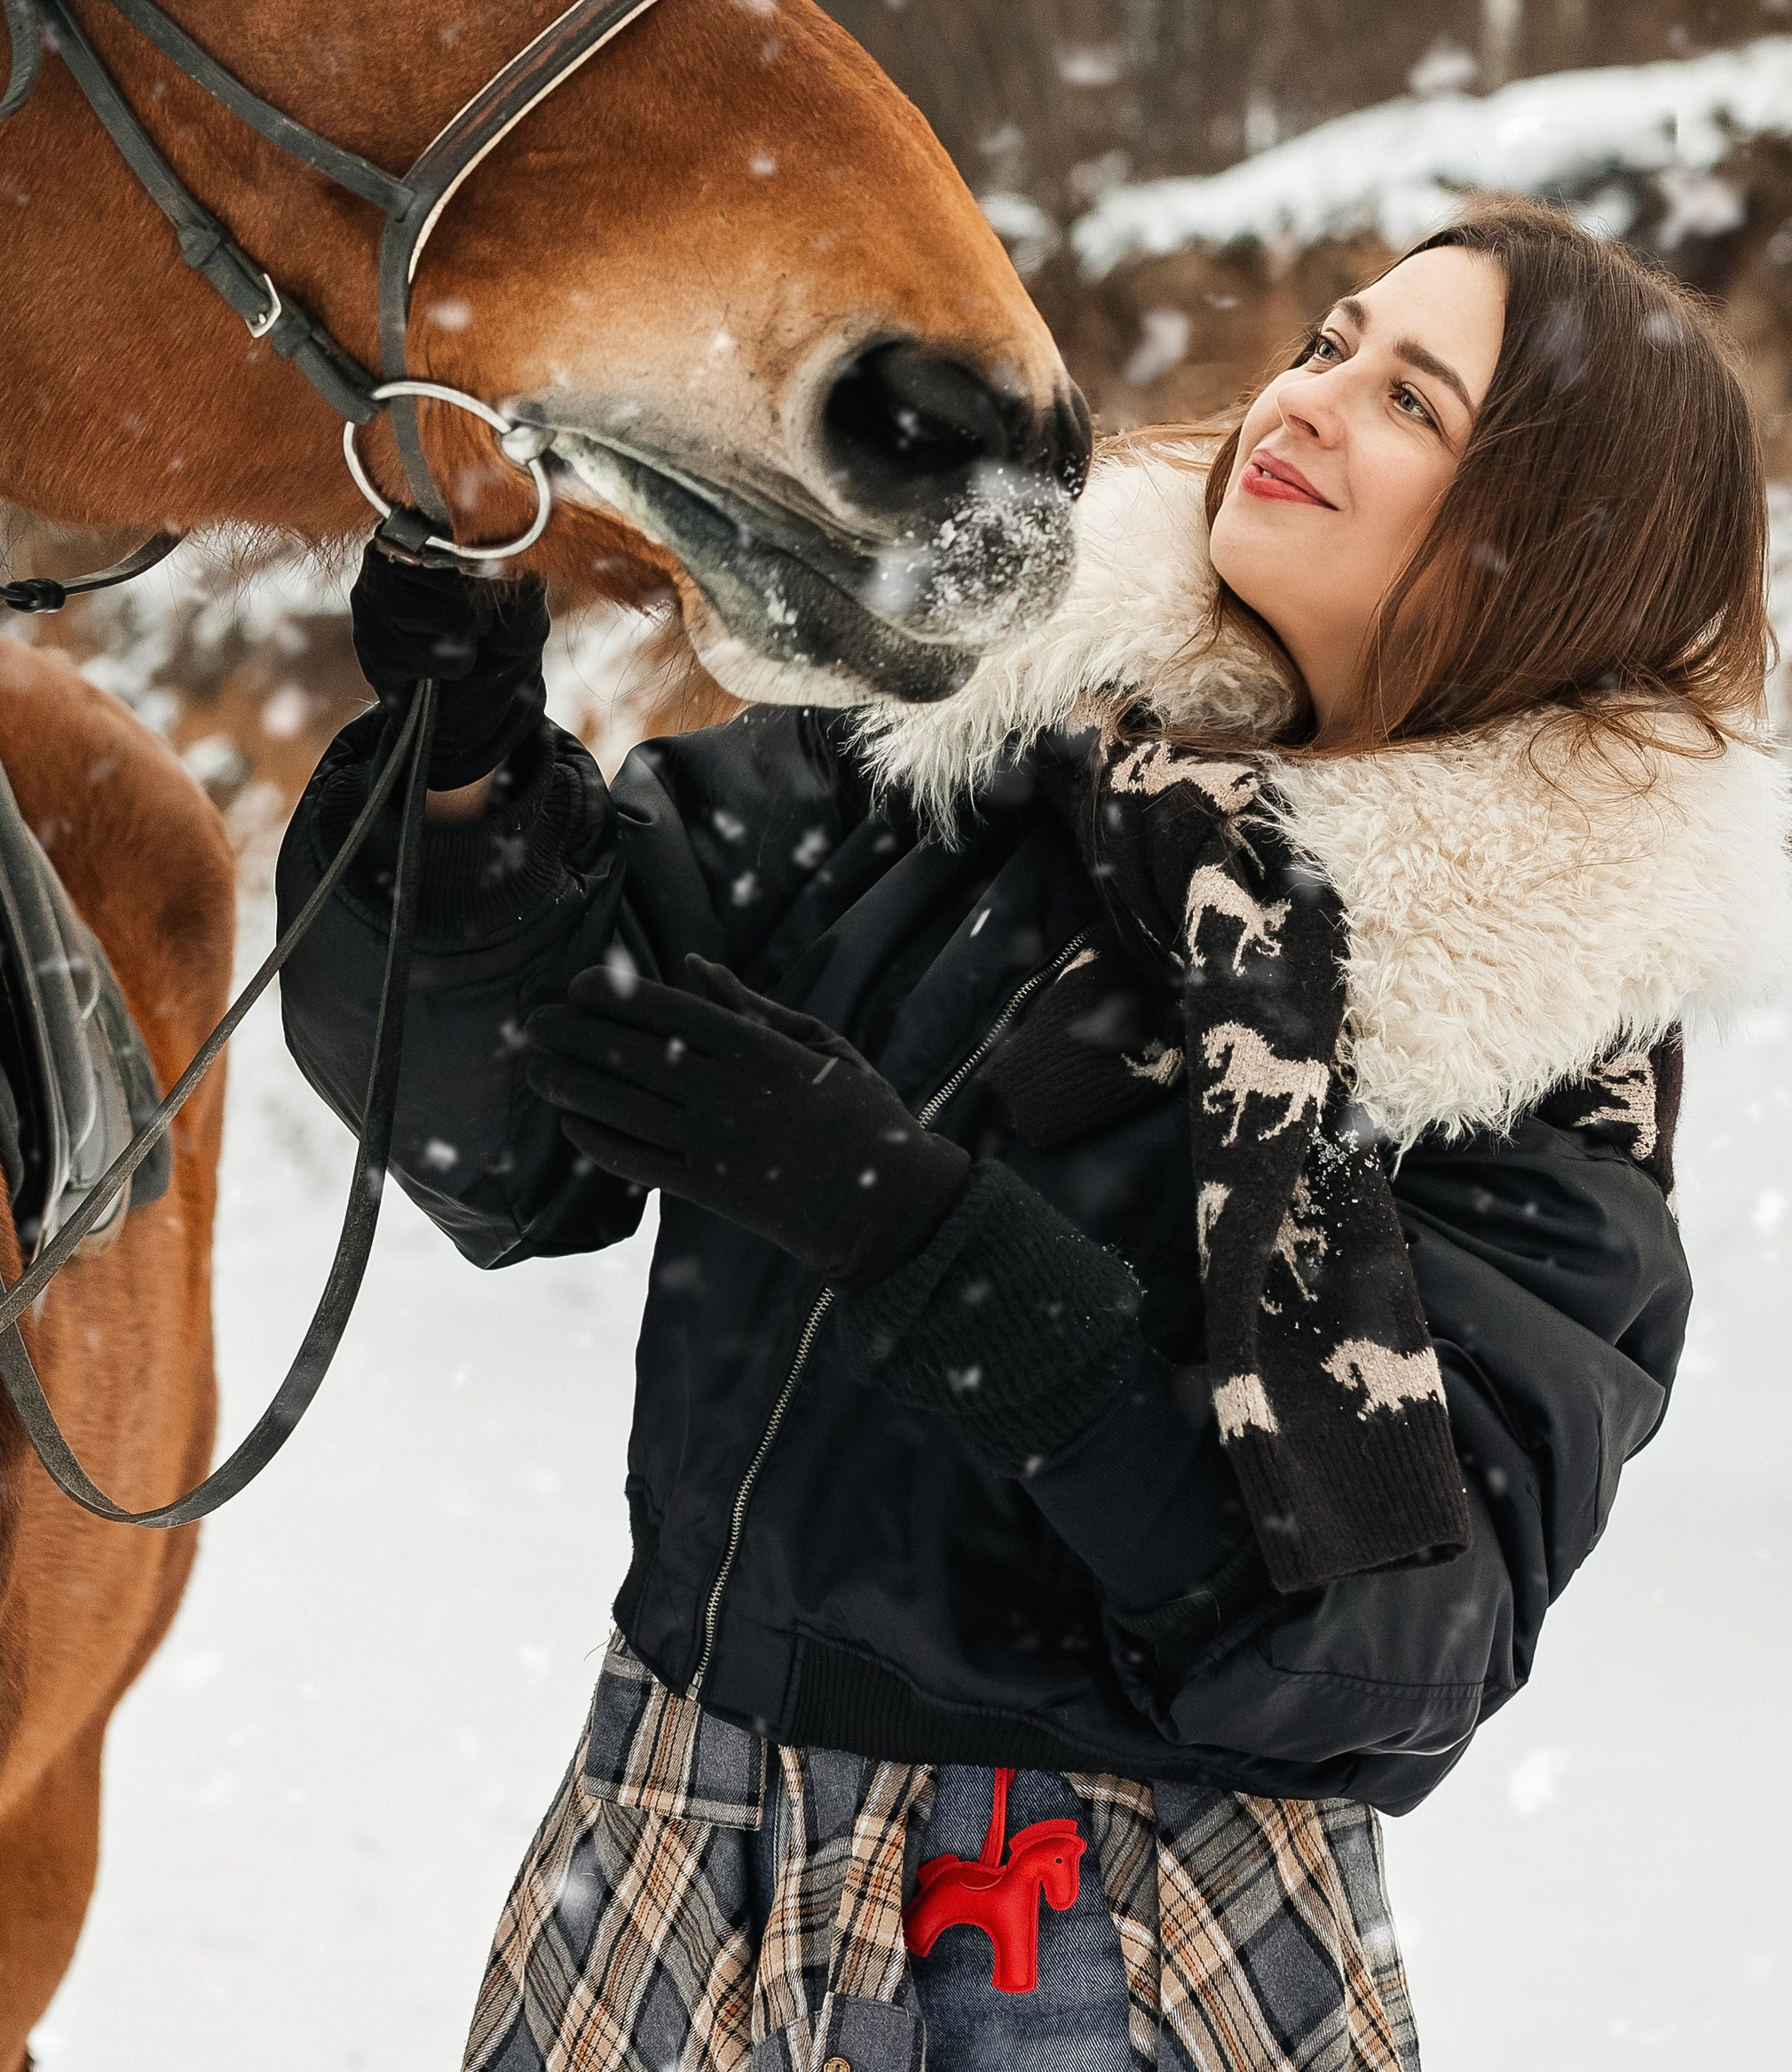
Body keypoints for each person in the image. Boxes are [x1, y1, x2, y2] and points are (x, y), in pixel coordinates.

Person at [278, 201, 1787, 2070]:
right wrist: (462, 780)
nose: (1302, 397)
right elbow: (505, 1127)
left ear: (1546, 548)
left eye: (1409, 397)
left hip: (1093, 1943)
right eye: (1326, 342)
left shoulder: (1535, 1027)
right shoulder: (964, 750)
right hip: (667, 1857)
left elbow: (1371, 1647)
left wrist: (918, 1237)